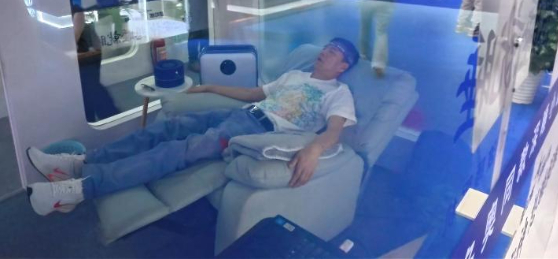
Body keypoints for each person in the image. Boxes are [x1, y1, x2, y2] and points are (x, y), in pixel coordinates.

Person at [26, 38, 360, 215]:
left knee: (176, 150)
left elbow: (334, 131)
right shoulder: (296, 75)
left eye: (336, 52)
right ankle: (80, 162)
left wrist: (313, 149)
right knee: (165, 128)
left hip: (255, 133)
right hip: (243, 113)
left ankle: (80, 189)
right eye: (328, 46)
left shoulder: (339, 94)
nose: (327, 51)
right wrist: (209, 87)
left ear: (343, 66)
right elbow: (253, 94)